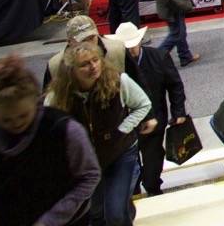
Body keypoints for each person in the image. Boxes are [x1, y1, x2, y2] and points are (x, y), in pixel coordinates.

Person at [0, 55, 101, 226]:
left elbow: (90, 176)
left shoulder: (65, 129)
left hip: (66, 221)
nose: (16, 123)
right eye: (6, 120)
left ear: (36, 102)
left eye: (23, 116)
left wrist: (50, 220)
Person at [47, 42, 153, 226]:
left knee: (114, 215)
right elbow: (48, 123)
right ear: (72, 70)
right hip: (87, 160)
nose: (93, 66)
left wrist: (123, 129)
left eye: (96, 60)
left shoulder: (119, 81)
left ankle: (121, 208)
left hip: (120, 152)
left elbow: (143, 104)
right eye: (85, 64)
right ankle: (123, 206)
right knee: (96, 213)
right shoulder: (58, 95)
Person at [113, 22, 187, 197]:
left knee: (152, 169)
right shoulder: (115, 66)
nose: (130, 51)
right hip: (127, 125)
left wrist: (179, 112)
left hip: (154, 121)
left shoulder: (159, 57)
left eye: (132, 46)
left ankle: (153, 188)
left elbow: (175, 85)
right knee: (130, 172)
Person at [45, 15, 137, 88]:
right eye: (83, 40)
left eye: (92, 38)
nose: (89, 44)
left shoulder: (118, 50)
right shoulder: (55, 66)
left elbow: (139, 85)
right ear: (69, 42)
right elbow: (47, 105)